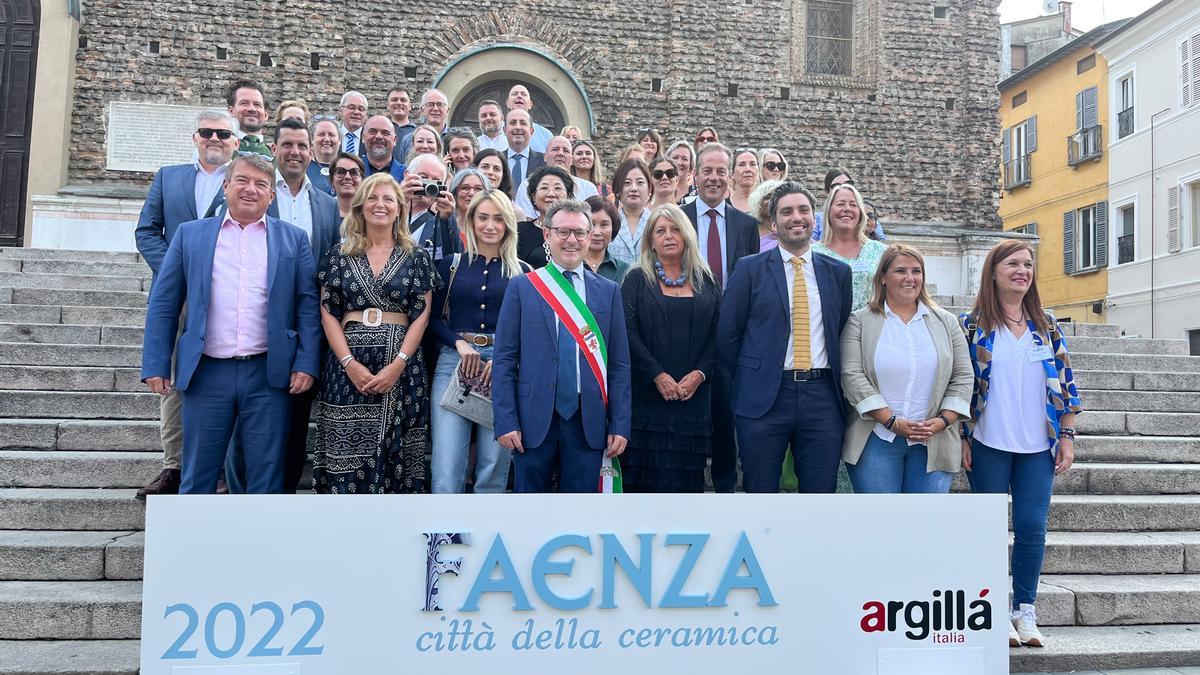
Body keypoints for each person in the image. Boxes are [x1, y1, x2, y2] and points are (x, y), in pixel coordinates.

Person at [140, 154, 321, 494]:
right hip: (207, 373)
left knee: (266, 476)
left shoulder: (293, 240)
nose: (250, 189)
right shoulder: (190, 236)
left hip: (268, 374)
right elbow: (165, 302)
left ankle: (259, 546)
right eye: (242, 180)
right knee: (197, 474)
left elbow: (307, 305)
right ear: (225, 186)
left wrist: (306, 362)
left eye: (261, 184)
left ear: (272, 195)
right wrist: (156, 363)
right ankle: (196, 546)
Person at [959, 239, 1082, 648]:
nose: (1022, 271)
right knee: (988, 530)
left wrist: (1066, 434)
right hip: (988, 443)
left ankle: (1024, 610)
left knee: (1032, 528)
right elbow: (959, 386)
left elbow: (1065, 384)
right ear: (993, 271)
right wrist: (961, 436)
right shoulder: (972, 325)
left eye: (1028, 265)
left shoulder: (1046, 325)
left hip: (1037, 447)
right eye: (1012, 264)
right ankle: (992, 610)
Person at [224, 117, 342, 495]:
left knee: (293, 425)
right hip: (255, 326)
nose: (295, 152)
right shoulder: (253, 190)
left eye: (301, 146)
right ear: (274, 149)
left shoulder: (326, 204)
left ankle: (284, 500)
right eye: (287, 145)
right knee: (244, 429)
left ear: (312, 153)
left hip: (306, 327)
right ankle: (240, 495)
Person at [716, 181, 852, 493]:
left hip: (822, 397)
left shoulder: (837, 273)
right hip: (764, 398)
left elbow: (839, 326)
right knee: (760, 490)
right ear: (774, 223)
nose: (797, 217)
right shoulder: (749, 269)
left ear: (814, 219)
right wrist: (751, 378)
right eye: (787, 211)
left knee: (819, 494)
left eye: (804, 210)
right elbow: (728, 334)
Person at [133, 109, 240, 499]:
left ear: (235, 141)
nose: (215, 138)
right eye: (207, 132)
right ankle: (174, 466)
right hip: (180, 296)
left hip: (231, 293)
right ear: (194, 137)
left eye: (223, 134)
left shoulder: (244, 181)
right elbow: (147, 230)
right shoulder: (169, 177)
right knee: (178, 381)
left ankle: (221, 469)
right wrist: (176, 271)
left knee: (230, 377)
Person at [314, 173, 441, 494]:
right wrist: (348, 363)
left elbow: (422, 315)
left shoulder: (417, 257)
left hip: (402, 371)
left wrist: (398, 363)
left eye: (388, 199)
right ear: (360, 207)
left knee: (397, 456)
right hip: (346, 369)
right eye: (372, 198)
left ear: (400, 208)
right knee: (344, 454)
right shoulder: (338, 255)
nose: (380, 205)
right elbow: (328, 312)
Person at [493, 199, 632, 492]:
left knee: (581, 515)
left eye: (580, 233)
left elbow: (619, 364)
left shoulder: (609, 292)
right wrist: (506, 420)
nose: (572, 240)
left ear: (589, 236)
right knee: (530, 512)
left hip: (589, 420)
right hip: (533, 419)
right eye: (563, 232)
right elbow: (504, 359)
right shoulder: (522, 287)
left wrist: (619, 423)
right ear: (547, 235)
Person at [839, 244, 972, 494]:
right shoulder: (860, 321)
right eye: (900, 271)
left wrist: (943, 421)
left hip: (934, 439)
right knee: (880, 525)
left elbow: (963, 375)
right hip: (876, 438)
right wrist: (890, 420)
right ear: (883, 278)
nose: (910, 278)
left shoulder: (947, 322)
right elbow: (852, 375)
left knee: (924, 528)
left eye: (916, 271)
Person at [429, 189, 528, 493]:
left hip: (502, 368)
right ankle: (443, 537)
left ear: (508, 224)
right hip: (453, 364)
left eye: (498, 219)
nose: (490, 225)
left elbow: (531, 331)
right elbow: (429, 319)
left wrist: (504, 360)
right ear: (471, 221)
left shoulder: (523, 273)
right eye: (483, 217)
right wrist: (457, 342)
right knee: (447, 464)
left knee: (494, 463)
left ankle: (485, 536)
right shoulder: (451, 264)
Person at [620, 204, 720, 492]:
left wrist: (700, 374)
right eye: (660, 230)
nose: (668, 236)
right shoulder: (636, 280)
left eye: (675, 229)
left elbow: (719, 335)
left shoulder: (707, 280)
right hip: (648, 399)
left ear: (687, 234)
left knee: (686, 484)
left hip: (693, 400)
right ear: (650, 240)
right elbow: (627, 332)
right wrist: (657, 375)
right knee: (642, 482)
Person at [681, 142, 758, 493]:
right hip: (685, 333)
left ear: (730, 177)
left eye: (720, 171)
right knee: (688, 419)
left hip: (731, 337)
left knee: (726, 420)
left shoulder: (746, 225)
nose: (713, 178)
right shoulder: (677, 219)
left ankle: (725, 491)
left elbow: (752, 281)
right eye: (707, 171)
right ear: (694, 174)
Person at [814, 183, 887, 311]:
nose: (847, 208)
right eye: (840, 204)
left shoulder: (880, 251)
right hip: (829, 327)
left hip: (869, 327)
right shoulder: (813, 253)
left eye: (853, 205)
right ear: (828, 211)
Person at [398, 153, 461, 264]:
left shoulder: (443, 216)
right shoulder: (388, 206)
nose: (429, 184)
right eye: (423, 177)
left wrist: (448, 219)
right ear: (407, 175)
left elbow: (455, 257)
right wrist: (398, 202)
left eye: (436, 180)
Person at [514, 136, 597, 214]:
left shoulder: (588, 188)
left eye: (566, 150)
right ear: (545, 156)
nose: (560, 153)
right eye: (555, 149)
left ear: (572, 159)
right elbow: (525, 218)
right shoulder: (527, 185)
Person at [515, 165, 574, 268]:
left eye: (558, 188)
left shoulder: (577, 230)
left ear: (568, 196)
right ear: (533, 197)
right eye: (544, 188)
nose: (551, 194)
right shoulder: (519, 231)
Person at [607, 158, 653, 265]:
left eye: (640, 182)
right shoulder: (609, 222)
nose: (634, 188)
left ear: (649, 189)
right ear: (618, 189)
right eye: (627, 183)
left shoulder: (656, 222)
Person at [396, 89, 451, 160]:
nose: (435, 108)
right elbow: (402, 169)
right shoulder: (408, 139)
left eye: (440, 104)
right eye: (430, 104)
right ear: (422, 110)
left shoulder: (454, 139)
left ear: (447, 111)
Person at [583, 196, 629, 282]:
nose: (597, 232)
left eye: (604, 225)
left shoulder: (626, 271)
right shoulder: (569, 267)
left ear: (613, 228)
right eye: (591, 224)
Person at [227, 80, 271, 157]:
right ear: (231, 111)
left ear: (266, 114)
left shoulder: (277, 154)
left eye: (257, 104)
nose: (252, 109)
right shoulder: (222, 150)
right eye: (244, 103)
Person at [504, 109, 545, 189]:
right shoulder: (496, 160)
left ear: (531, 131)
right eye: (512, 123)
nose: (518, 127)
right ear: (504, 130)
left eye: (523, 123)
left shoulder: (544, 162)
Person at [506, 84, 552, 153]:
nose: (519, 96)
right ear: (508, 103)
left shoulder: (546, 135)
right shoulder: (496, 133)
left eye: (523, 94)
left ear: (530, 105)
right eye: (515, 94)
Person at [362, 115, 407, 182]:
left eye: (385, 133)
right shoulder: (353, 171)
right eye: (373, 131)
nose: (378, 136)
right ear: (363, 137)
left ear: (395, 140)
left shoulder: (406, 175)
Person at [306, 116, 341, 195]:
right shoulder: (303, 170)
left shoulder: (348, 169)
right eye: (321, 134)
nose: (327, 139)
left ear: (339, 140)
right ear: (312, 140)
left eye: (331, 135)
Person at [749, 179, 784, 252]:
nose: (772, 200)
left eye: (777, 196)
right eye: (767, 197)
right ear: (758, 202)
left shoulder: (792, 229)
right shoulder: (750, 231)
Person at [331, 153, 364, 219]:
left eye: (354, 172)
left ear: (362, 180)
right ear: (332, 180)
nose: (347, 177)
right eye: (340, 172)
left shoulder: (370, 213)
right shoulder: (322, 212)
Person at [729, 148, 759, 213]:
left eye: (752, 164)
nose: (748, 169)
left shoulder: (766, 205)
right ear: (732, 174)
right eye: (741, 165)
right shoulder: (723, 206)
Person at [338, 91, 369, 156]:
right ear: (341, 111)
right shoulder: (332, 136)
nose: (356, 112)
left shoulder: (370, 139)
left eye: (361, 109)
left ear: (366, 114)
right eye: (351, 107)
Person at [386, 86, 416, 150]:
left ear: (410, 106)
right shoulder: (380, 132)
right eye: (394, 100)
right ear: (388, 106)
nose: (399, 103)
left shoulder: (417, 132)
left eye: (403, 100)